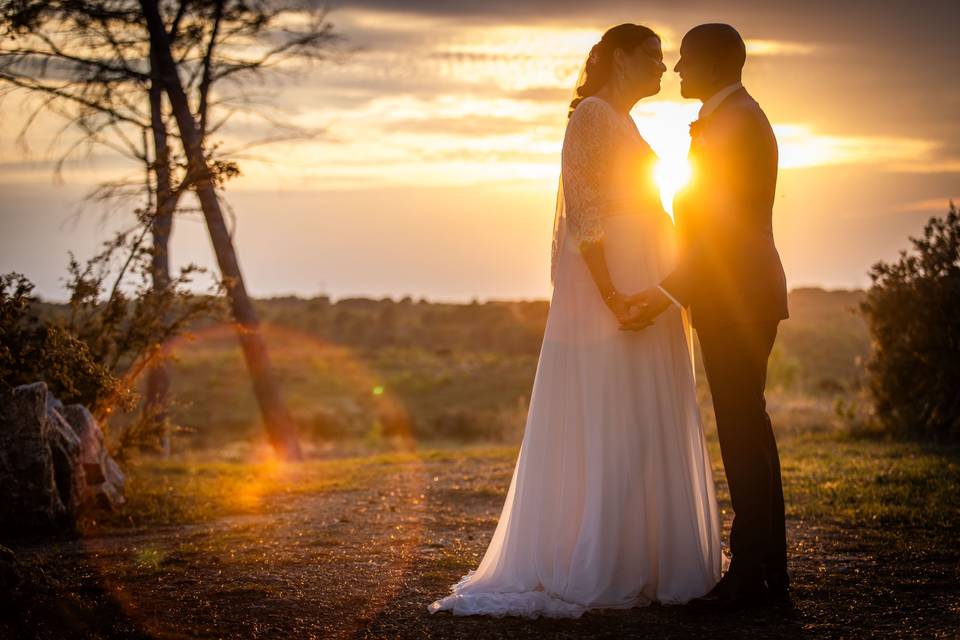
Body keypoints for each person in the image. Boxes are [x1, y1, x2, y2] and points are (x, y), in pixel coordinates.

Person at [427, 23, 722, 619]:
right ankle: (606, 558)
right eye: (652, 55)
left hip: (645, 280)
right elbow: (585, 219)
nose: (663, 68)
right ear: (619, 57)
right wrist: (615, 296)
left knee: (639, 414)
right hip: (614, 285)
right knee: (614, 409)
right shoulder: (591, 116)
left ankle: (644, 554)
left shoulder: (621, 120)